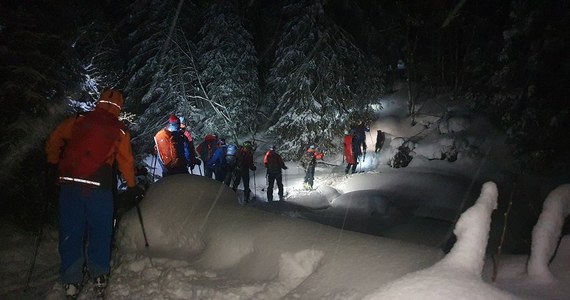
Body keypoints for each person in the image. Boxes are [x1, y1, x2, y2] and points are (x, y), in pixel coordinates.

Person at [45, 89, 141, 299]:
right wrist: (132, 186)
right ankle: (98, 275)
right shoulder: (120, 130)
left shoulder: (80, 120)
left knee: (71, 229)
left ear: (100, 101)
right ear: (119, 106)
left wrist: (53, 162)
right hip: (99, 186)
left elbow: (56, 137)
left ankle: (71, 279)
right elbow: (126, 161)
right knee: (100, 230)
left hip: (70, 183)